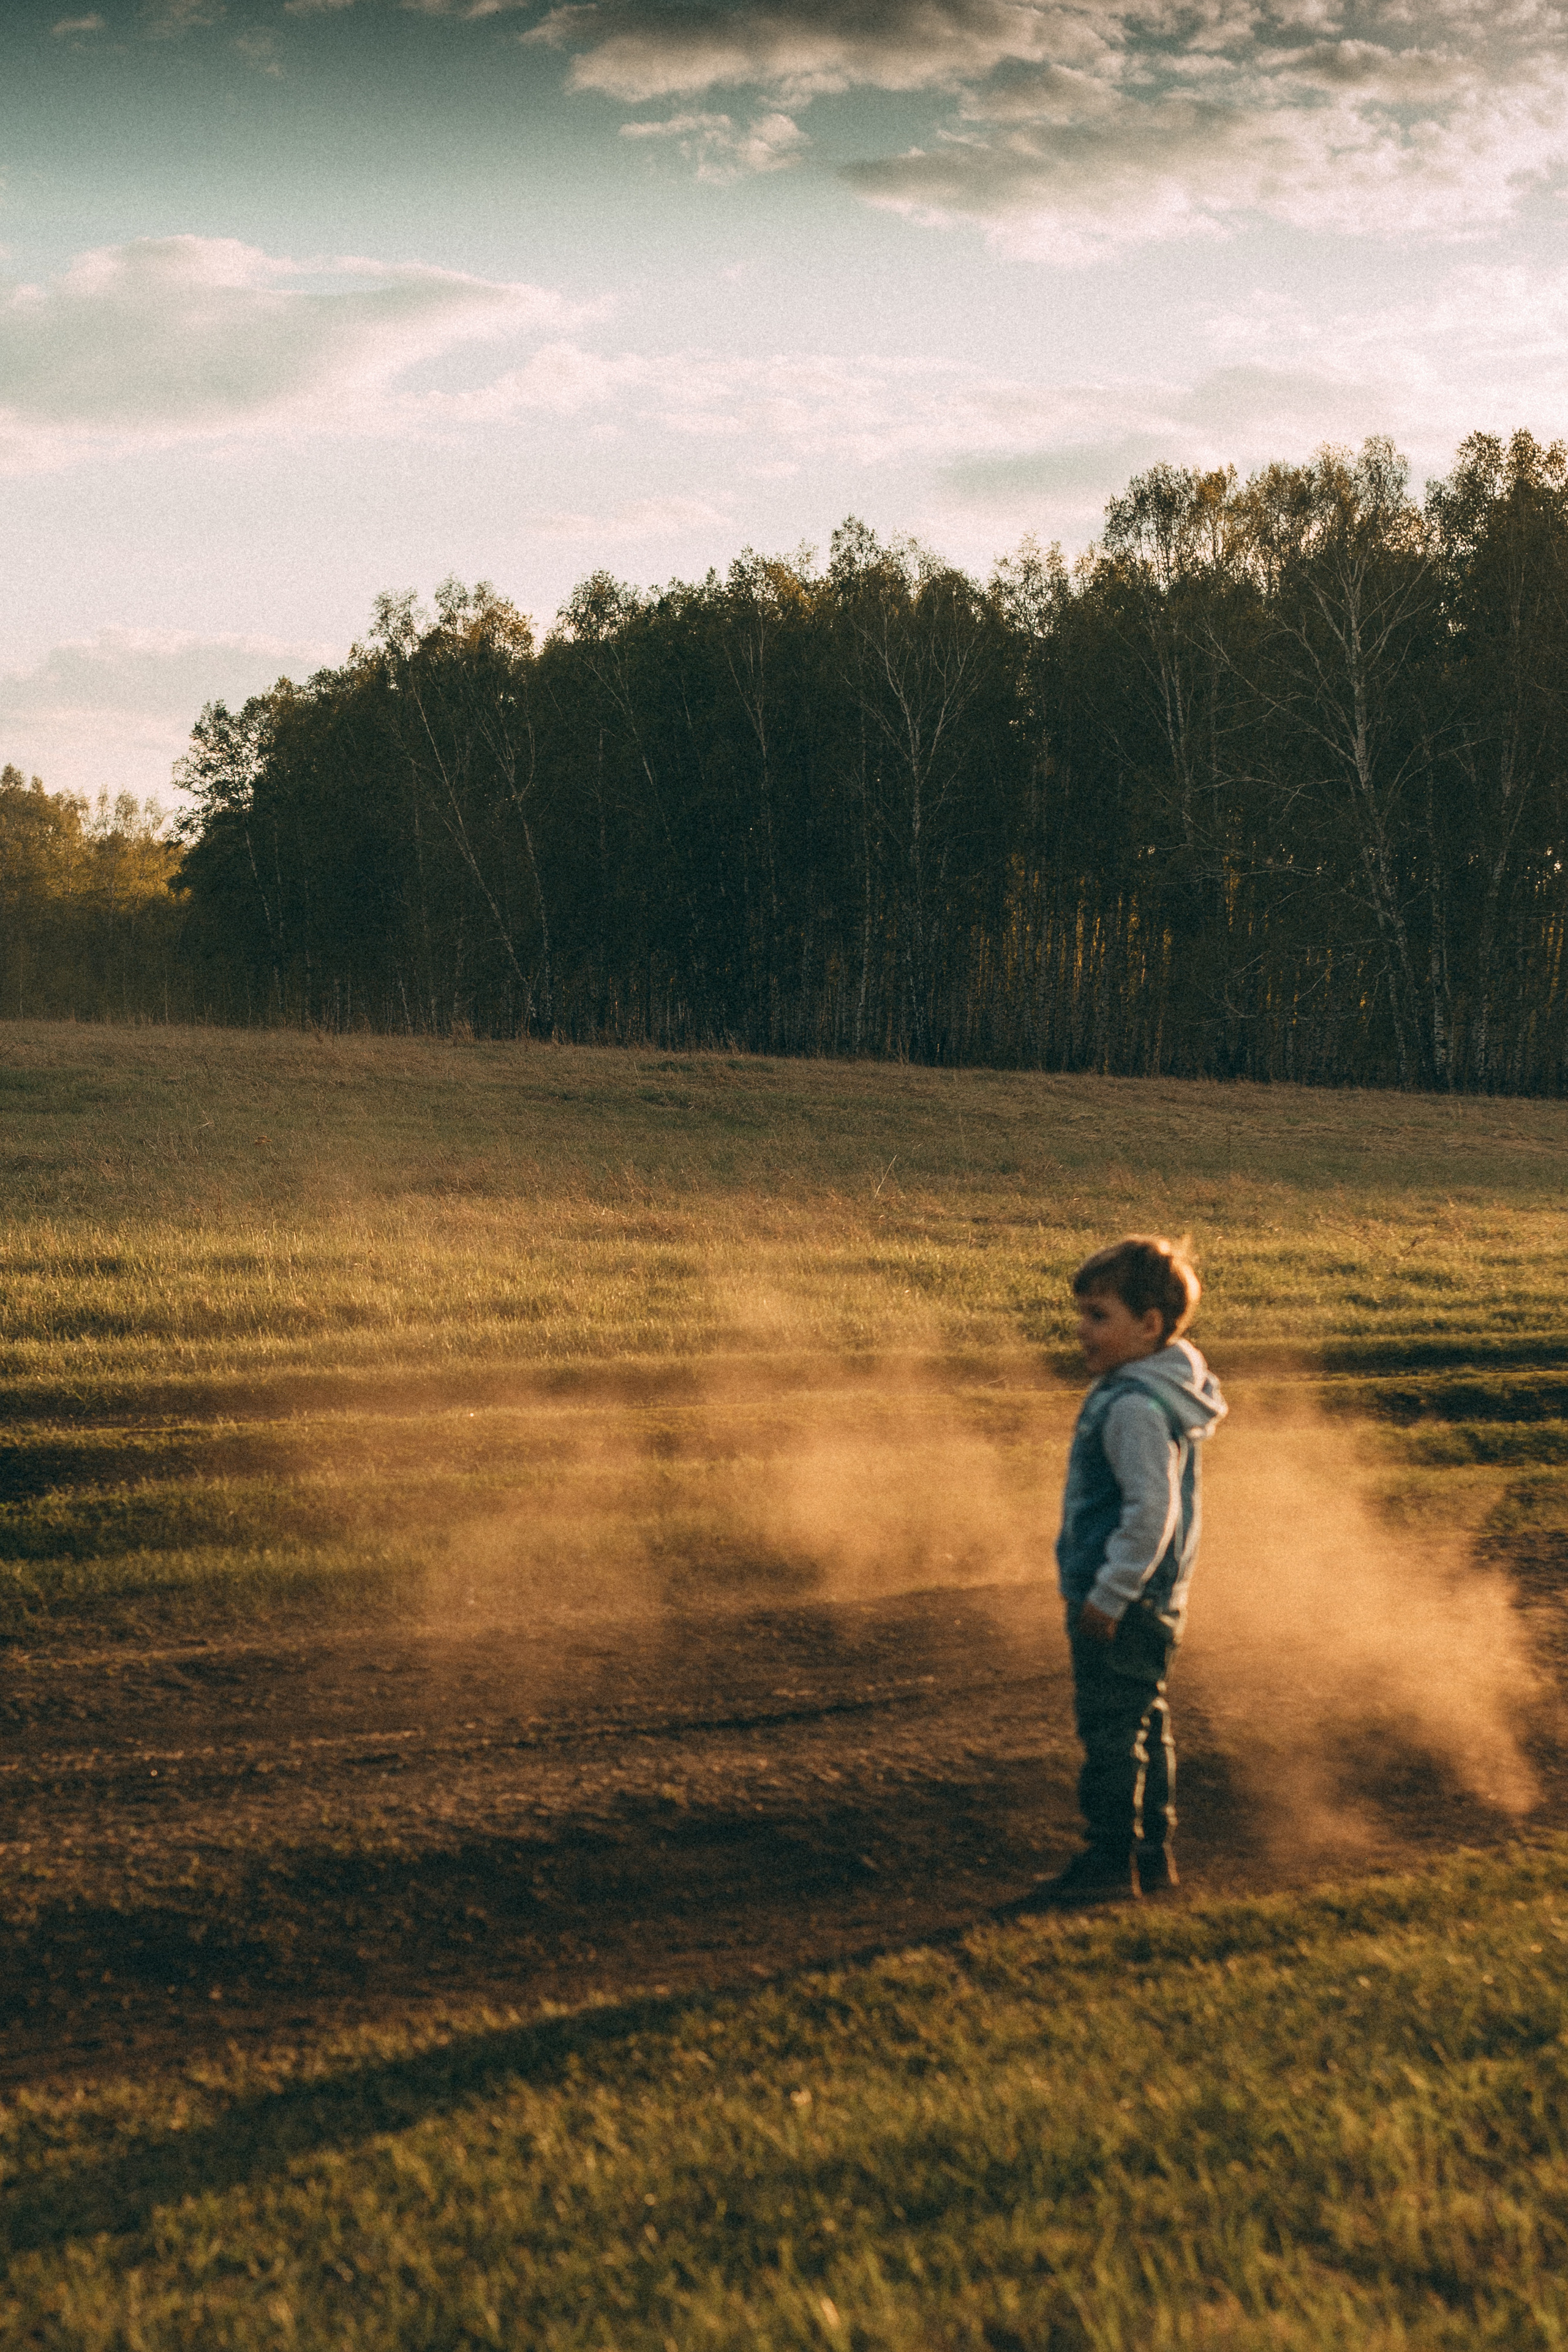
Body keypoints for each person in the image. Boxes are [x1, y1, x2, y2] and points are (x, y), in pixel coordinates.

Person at [1024, 1235, 1226, 1907]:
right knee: (1144, 1720)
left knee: (1111, 1731)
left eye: (1098, 1315)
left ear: (1149, 1325)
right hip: (1154, 1599)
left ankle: (1110, 1860)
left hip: (1123, 1602)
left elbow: (1150, 1514)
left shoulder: (1135, 1407)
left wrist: (1109, 1594)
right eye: (1081, 1313)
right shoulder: (1150, 1392)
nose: (1082, 1329)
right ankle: (1150, 1854)